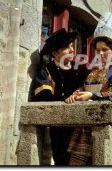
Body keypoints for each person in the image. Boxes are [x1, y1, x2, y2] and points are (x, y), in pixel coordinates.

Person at [65, 35, 112, 165]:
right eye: (97, 50)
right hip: (85, 124)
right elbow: (85, 88)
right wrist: (77, 94)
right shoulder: (94, 71)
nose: (100, 53)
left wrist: (91, 95)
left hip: (103, 125)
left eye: (105, 49)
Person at [29, 28, 88, 165]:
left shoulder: (80, 70)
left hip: (82, 127)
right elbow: (44, 98)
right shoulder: (46, 71)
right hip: (60, 129)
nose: (72, 50)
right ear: (55, 53)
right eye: (67, 48)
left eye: (72, 46)